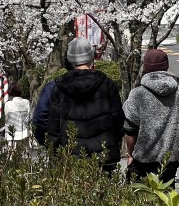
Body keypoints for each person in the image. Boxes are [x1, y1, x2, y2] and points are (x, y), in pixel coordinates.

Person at [46, 38, 124, 175]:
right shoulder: (107, 84)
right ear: (91, 56)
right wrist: (113, 143)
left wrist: (55, 157)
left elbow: (53, 128)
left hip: (71, 156)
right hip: (103, 157)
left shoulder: (59, 88)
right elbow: (118, 120)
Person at [123, 48, 179, 187]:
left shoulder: (137, 94)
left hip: (141, 161)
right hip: (170, 161)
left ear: (145, 67)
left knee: (137, 202)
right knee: (166, 203)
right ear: (166, 66)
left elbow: (130, 129)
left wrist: (130, 153)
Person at [0, 82, 30, 146]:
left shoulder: (8, 104)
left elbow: (7, 117)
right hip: (24, 134)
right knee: (25, 154)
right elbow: (28, 117)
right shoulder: (27, 102)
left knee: (12, 154)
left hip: (12, 134)